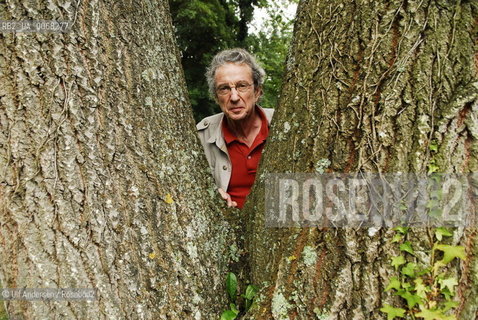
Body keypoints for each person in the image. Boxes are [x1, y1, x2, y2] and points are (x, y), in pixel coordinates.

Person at [196, 48, 274, 209]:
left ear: (257, 91)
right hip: (226, 229)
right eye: (224, 88)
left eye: (242, 86)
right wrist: (211, 196)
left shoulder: (281, 125)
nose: (234, 97)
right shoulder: (201, 136)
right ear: (216, 97)